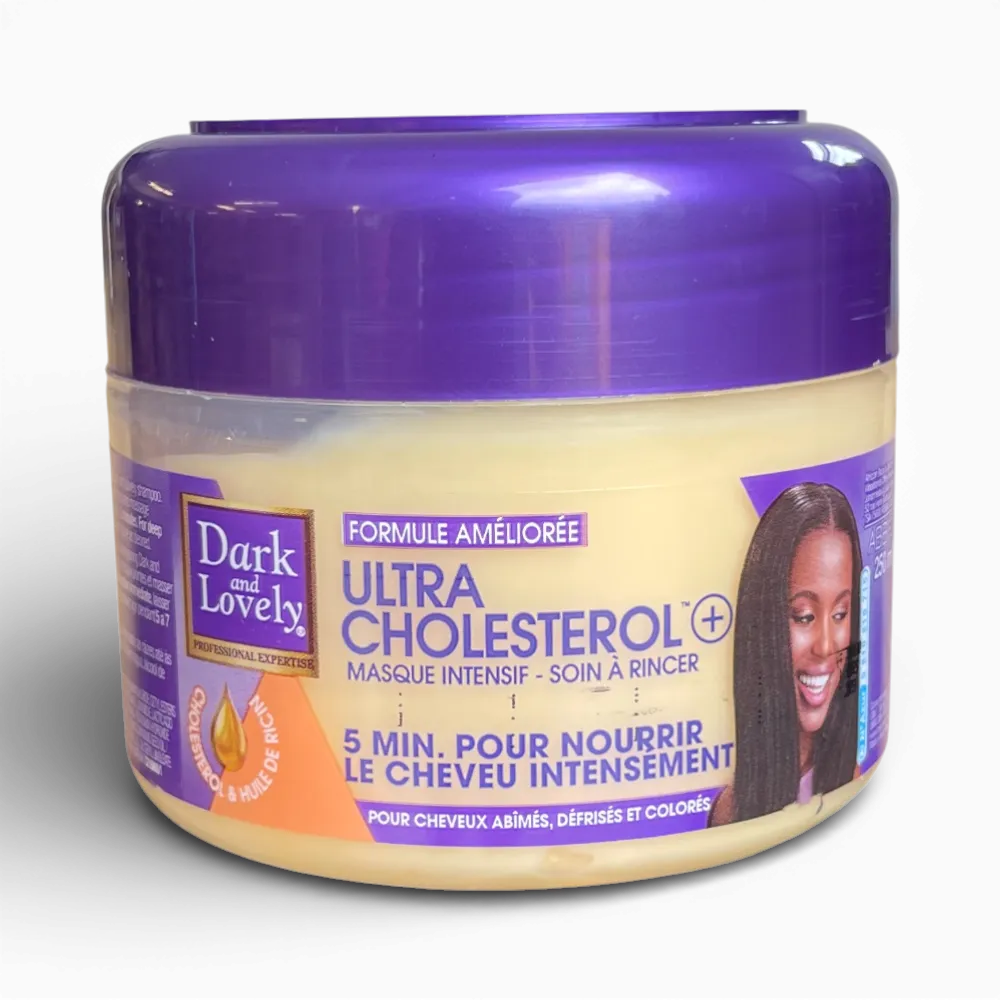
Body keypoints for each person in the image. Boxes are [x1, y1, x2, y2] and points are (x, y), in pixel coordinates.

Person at [709, 483, 861, 826]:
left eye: (841, 613)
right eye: (803, 616)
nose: (826, 646)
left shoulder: (849, 776)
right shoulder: (732, 811)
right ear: (762, 623)